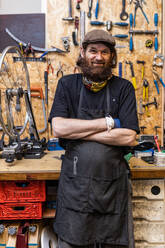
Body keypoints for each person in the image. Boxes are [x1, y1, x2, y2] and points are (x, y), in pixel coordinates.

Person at [49, 29, 140, 248]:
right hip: (75, 187)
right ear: (83, 52)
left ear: (111, 57)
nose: (98, 57)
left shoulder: (124, 88)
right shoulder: (67, 85)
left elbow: (129, 136)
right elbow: (59, 128)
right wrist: (108, 123)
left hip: (112, 189)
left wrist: (78, 130)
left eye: (104, 52)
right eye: (93, 51)